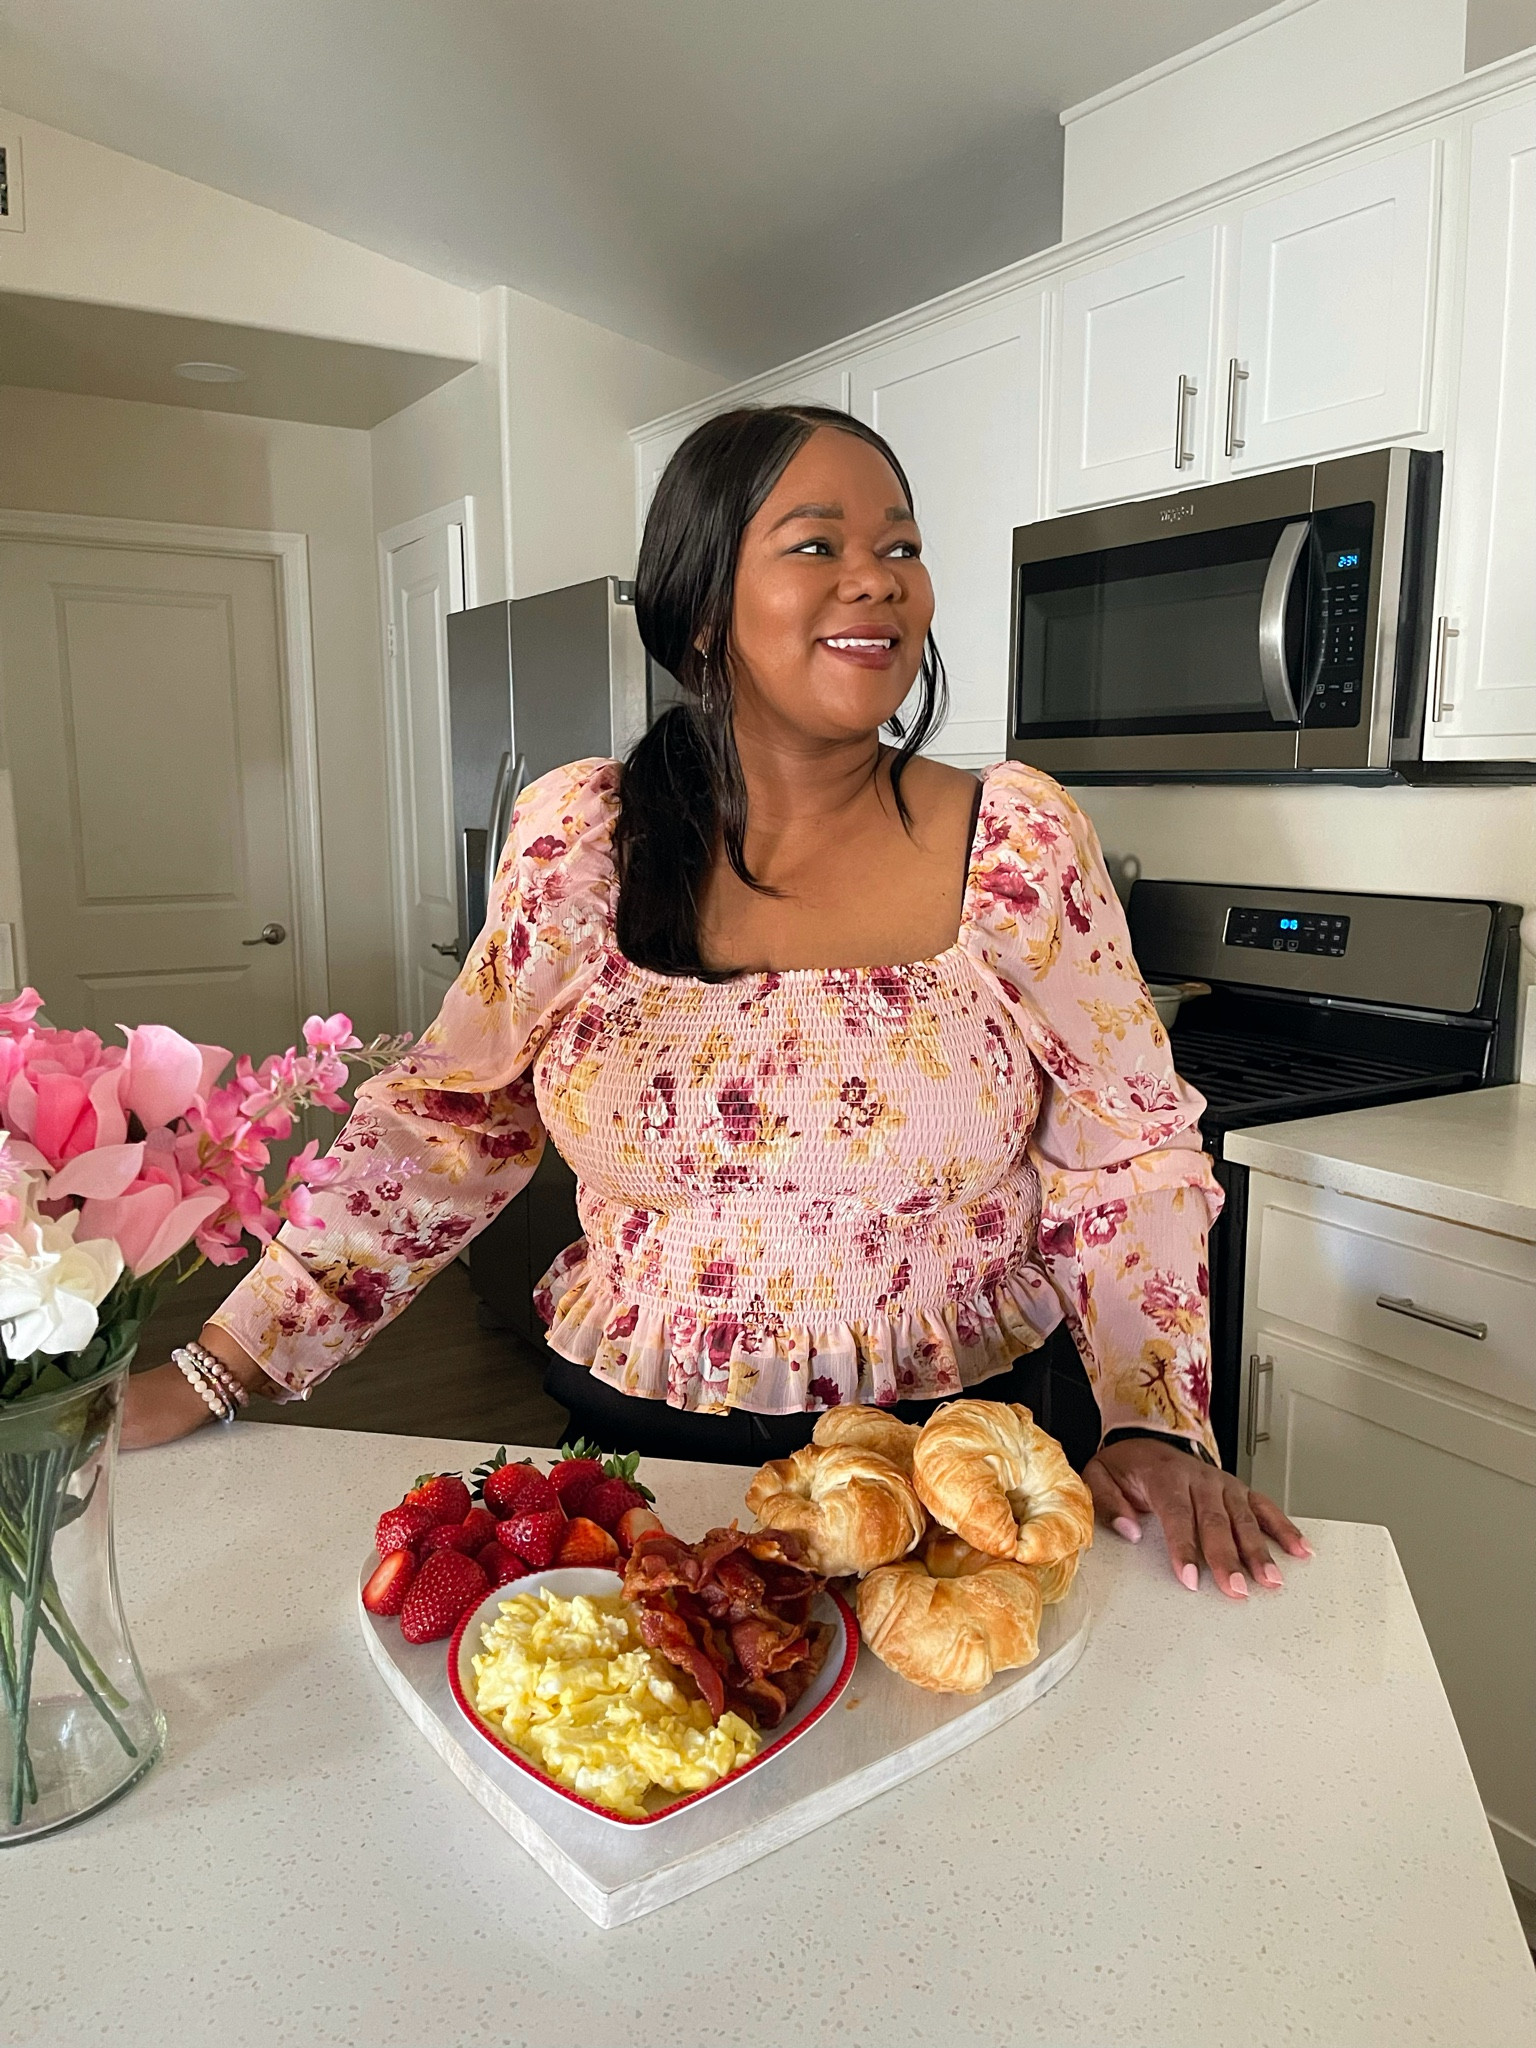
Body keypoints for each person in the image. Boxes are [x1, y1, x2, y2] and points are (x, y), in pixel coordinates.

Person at [126, 404, 1309, 1600]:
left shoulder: (1016, 842)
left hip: (966, 1452)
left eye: (901, 548)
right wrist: (227, 1362)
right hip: (648, 1453)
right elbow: (449, 1124)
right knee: (678, 1740)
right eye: (818, 545)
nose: (879, 583)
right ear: (702, 604)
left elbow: (1129, 1148)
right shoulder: (584, 842)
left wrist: (1157, 1422)